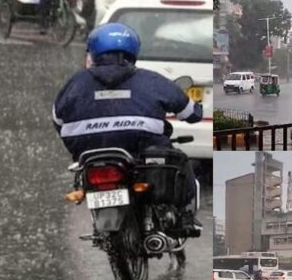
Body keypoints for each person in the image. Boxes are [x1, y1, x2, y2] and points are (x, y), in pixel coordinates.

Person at [52, 23, 202, 236]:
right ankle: (185, 219)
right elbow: (190, 112)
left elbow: (57, 119)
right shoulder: (150, 80)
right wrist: (196, 111)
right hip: (139, 146)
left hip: (89, 150)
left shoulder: (75, 82)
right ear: (133, 51)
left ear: (93, 52)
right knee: (179, 165)